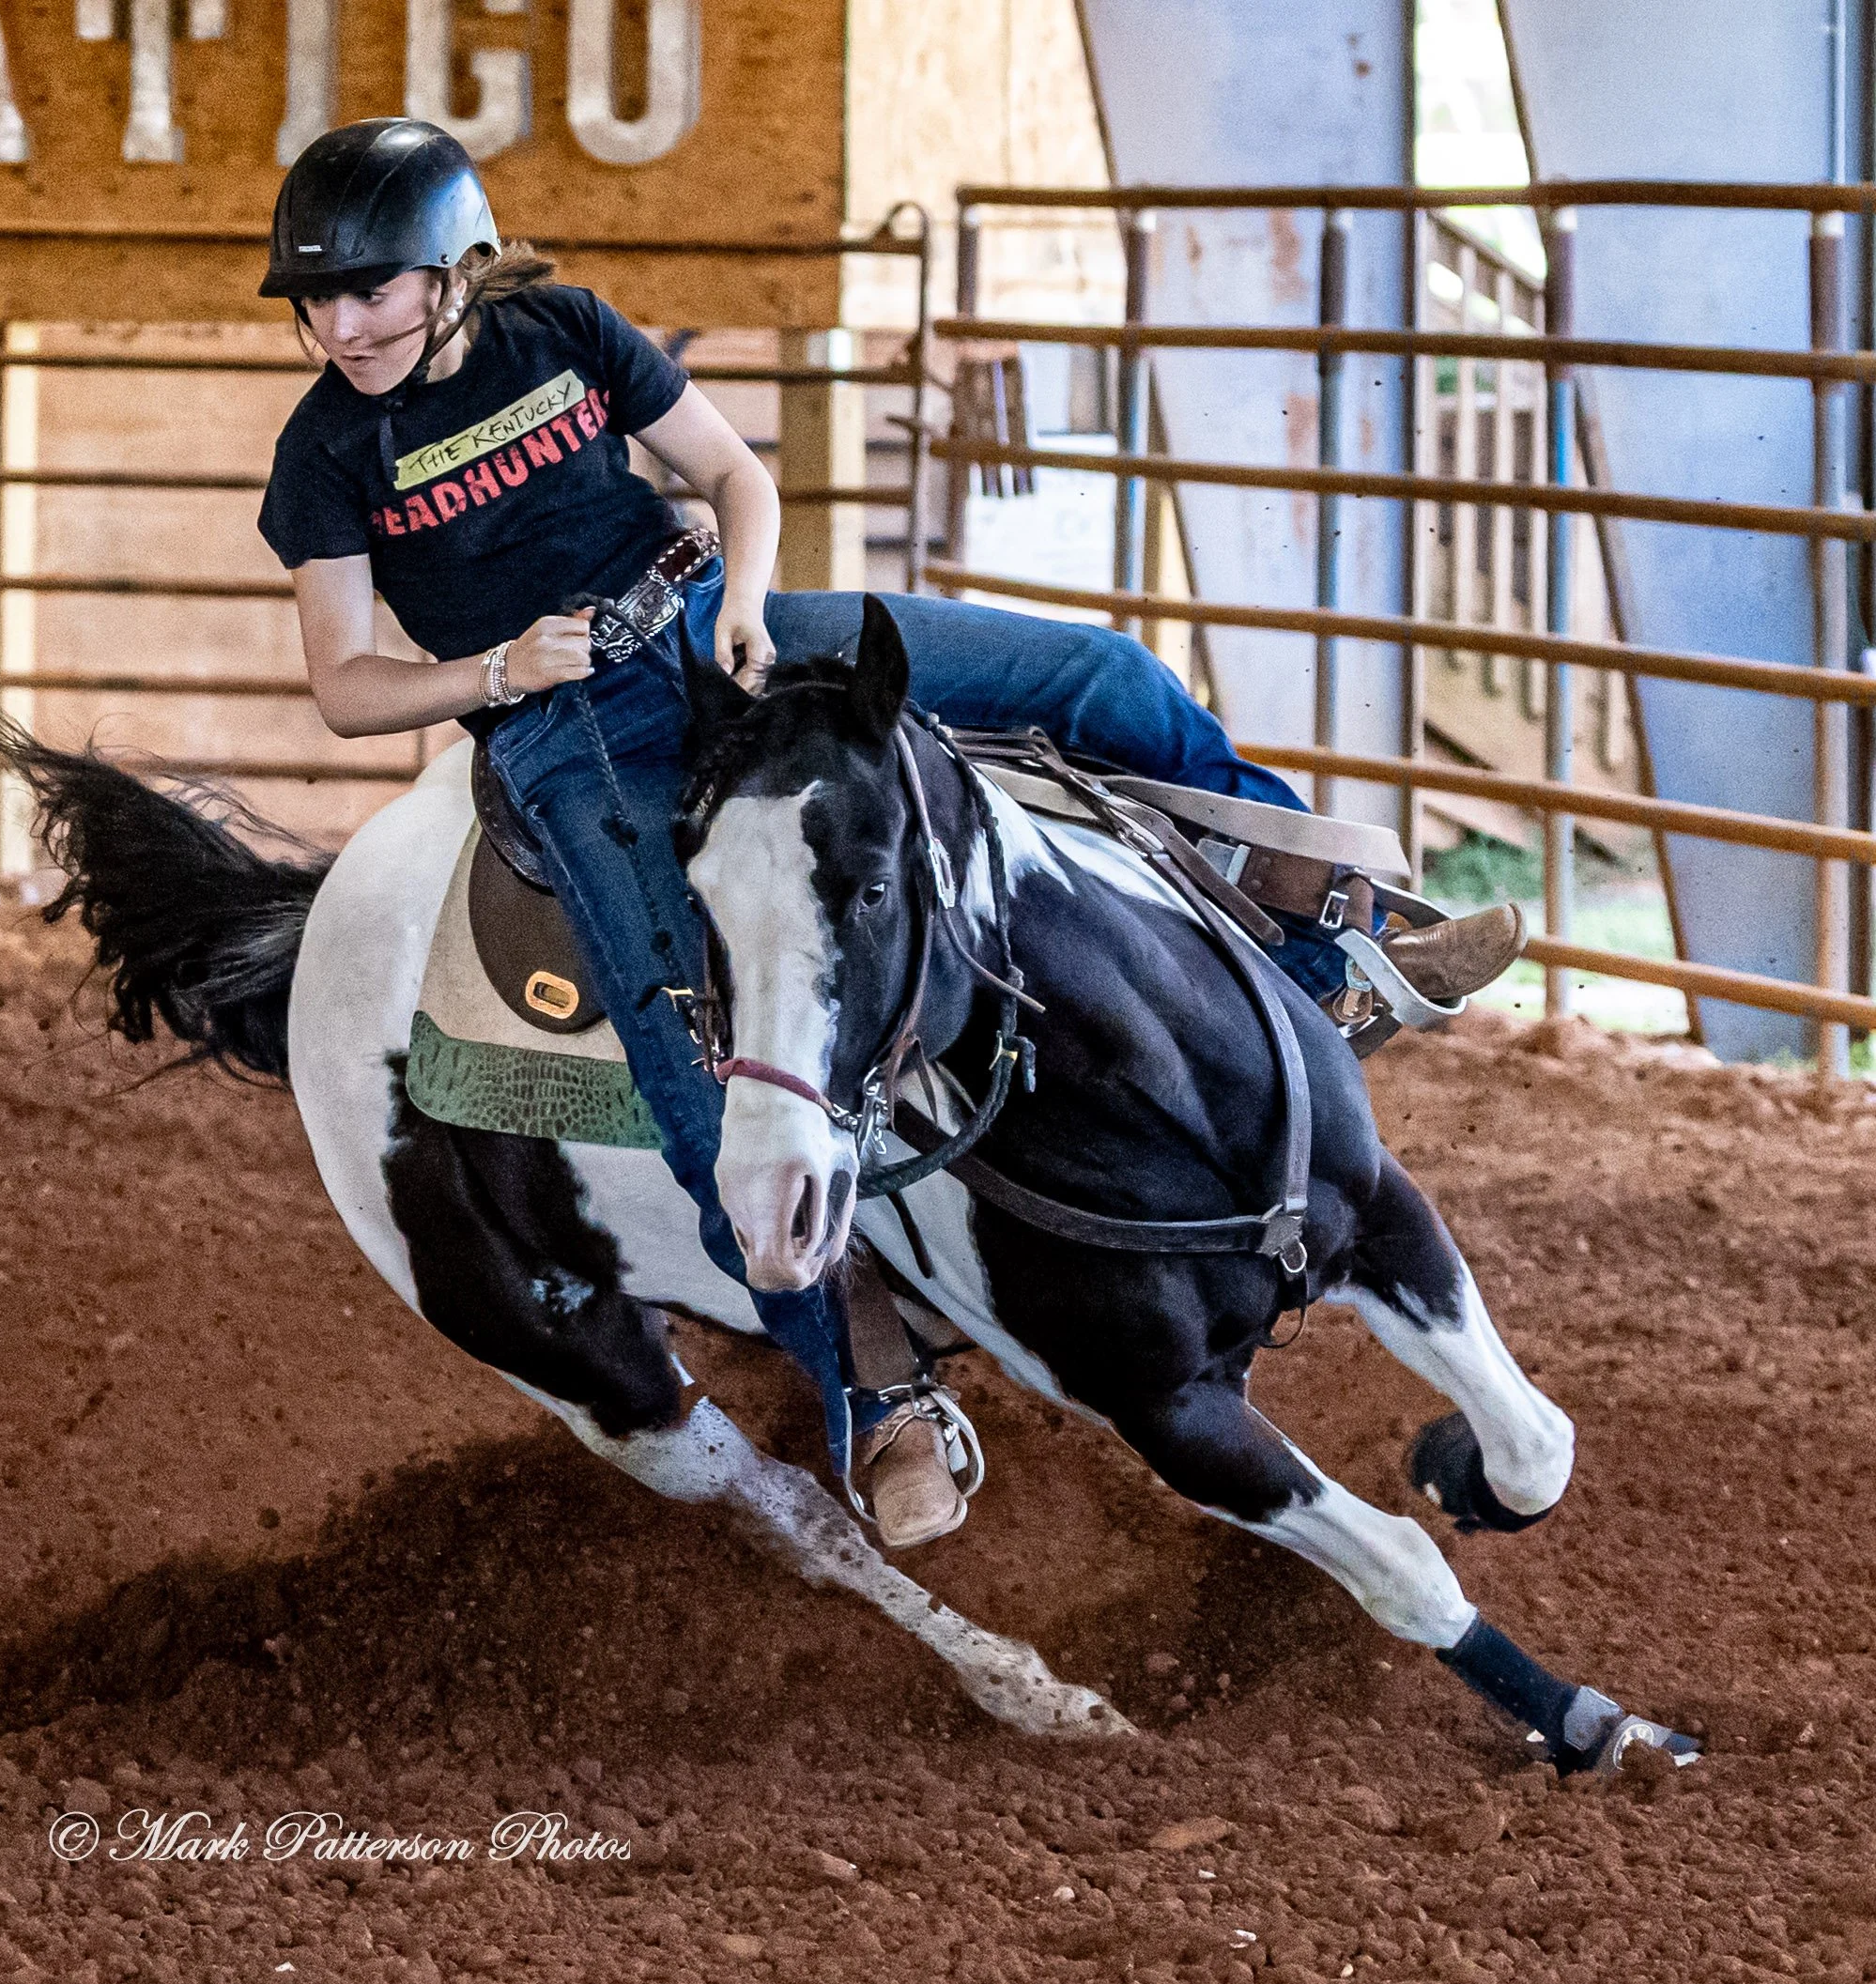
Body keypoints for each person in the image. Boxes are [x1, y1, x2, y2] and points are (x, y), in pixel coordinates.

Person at [257, 118, 1524, 1550]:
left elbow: (737, 478)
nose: (341, 325)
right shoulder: (326, 453)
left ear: (459, 271)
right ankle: (877, 1390)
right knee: (692, 1077)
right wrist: (498, 677)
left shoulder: (563, 330)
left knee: (1091, 677)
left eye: (371, 290)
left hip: (710, 622)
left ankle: (1320, 931)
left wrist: (745, 602)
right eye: (318, 300)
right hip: (566, 732)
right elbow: (344, 687)